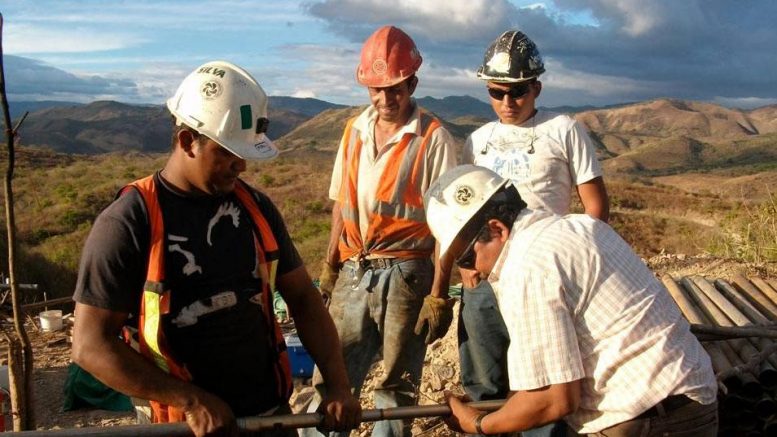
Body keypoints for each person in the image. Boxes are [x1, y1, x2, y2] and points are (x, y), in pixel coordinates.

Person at [71, 61, 361, 437]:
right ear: (188, 142)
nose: (240, 165)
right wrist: (189, 400)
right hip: (184, 425)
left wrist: (337, 385)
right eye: (227, 152)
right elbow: (90, 344)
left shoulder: (255, 208)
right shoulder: (129, 221)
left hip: (269, 414)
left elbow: (303, 297)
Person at [423, 165, 718, 436]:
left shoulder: (526, 267)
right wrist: (500, 406)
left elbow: (555, 400)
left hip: (646, 420)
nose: (471, 271)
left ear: (498, 229)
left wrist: (476, 423)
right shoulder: (578, 227)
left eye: (466, 257)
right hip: (689, 404)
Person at [303, 26, 457, 437]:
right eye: (377, 90)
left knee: (395, 386)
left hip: (407, 274)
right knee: (334, 376)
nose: (386, 100)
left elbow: (447, 227)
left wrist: (439, 293)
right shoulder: (354, 130)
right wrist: (330, 265)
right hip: (355, 268)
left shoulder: (433, 137)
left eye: (396, 89)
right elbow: (342, 203)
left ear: (412, 84)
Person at [458, 30, 609, 437]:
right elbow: (465, 211)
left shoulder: (563, 130)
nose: (508, 102)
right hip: (488, 276)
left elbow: (595, 205)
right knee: (484, 378)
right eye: (497, 92)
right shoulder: (478, 141)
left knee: (544, 377)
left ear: (536, 87)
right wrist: (463, 270)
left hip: (544, 275)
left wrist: (584, 262)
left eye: (518, 91)